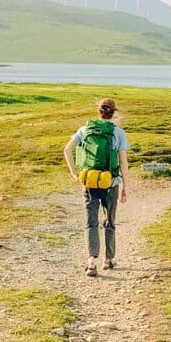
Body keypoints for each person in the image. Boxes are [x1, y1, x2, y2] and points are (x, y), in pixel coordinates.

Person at [63, 97, 129, 276]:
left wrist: (74, 174)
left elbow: (67, 150)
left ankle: (91, 261)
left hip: (89, 181)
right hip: (111, 182)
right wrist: (125, 186)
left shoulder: (85, 130)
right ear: (113, 113)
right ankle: (108, 259)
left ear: (98, 111)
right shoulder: (118, 133)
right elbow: (123, 161)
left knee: (91, 222)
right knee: (110, 222)